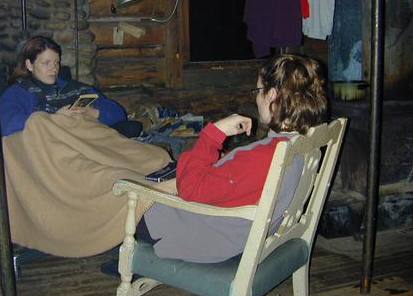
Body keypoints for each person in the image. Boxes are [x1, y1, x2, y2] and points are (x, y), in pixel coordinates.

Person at [137, 53, 328, 263]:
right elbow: (241, 179)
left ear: (272, 95)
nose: (256, 98)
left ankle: (132, 258)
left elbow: (190, 189)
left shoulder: (264, 156)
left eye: (258, 90)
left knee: (121, 188)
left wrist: (212, 135)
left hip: (207, 237)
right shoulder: (299, 146)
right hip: (235, 233)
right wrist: (227, 162)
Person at [0, 35, 139, 137]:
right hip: (58, 146)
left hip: (88, 138)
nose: (53, 69)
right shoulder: (18, 92)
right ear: (29, 65)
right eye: (46, 63)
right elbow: (6, 124)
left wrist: (94, 113)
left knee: (136, 134)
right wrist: (56, 118)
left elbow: (118, 113)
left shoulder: (77, 88)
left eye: (56, 62)